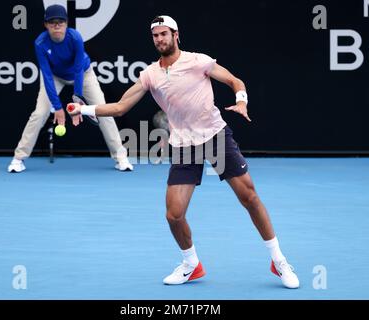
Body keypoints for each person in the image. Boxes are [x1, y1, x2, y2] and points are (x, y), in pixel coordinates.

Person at [67, 15, 299, 289]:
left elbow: (235, 81)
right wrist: (82, 109)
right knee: (174, 214)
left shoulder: (198, 61)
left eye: (164, 34)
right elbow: (119, 107)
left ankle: (278, 260)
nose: (159, 39)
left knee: (248, 197)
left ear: (176, 35)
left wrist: (241, 101)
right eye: (155, 36)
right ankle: (191, 264)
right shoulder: (150, 75)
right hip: (183, 145)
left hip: (214, 135)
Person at [7, 4, 133, 173]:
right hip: (55, 77)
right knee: (39, 113)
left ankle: (121, 158)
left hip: (83, 74)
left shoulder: (75, 38)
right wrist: (58, 108)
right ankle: (18, 159)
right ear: (46, 25)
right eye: (52, 22)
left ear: (66, 23)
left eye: (60, 22)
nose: (56, 25)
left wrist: (78, 101)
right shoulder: (40, 43)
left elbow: (78, 69)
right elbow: (46, 74)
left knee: (104, 111)